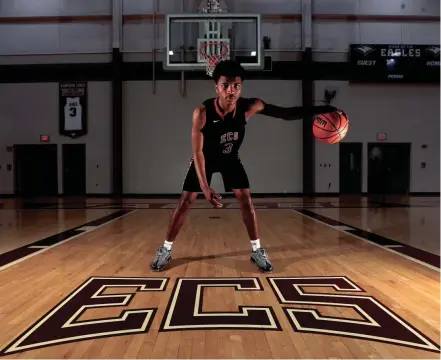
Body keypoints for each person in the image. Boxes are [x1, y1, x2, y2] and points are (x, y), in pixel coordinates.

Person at [151, 60, 339, 273]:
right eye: (225, 85)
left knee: (246, 199)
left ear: (241, 87)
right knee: (185, 201)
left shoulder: (250, 107)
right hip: (206, 158)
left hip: (230, 157)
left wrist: (323, 109)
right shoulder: (202, 113)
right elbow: (198, 152)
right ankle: (165, 249)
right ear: (216, 87)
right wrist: (204, 186)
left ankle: (257, 251)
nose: (231, 91)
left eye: (236, 86)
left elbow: (286, 113)